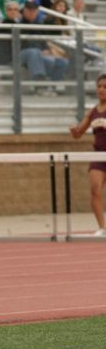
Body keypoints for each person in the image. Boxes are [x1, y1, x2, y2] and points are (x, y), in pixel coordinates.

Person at [69, 74, 106, 236]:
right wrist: (73, 130)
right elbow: (78, 134)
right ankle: (102, 228)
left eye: (105, 87)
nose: (101, 90)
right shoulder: (92, 112)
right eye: (99, 86)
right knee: (95, 189)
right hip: (99, 156)